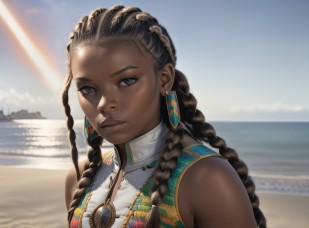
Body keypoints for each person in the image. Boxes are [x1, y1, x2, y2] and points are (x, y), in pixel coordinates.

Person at [63, 5, 267, 228]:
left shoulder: (205, 178)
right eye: (88, 89)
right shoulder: (81, 176)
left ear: (164, 79)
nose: (104, 104)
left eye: (127, 81)